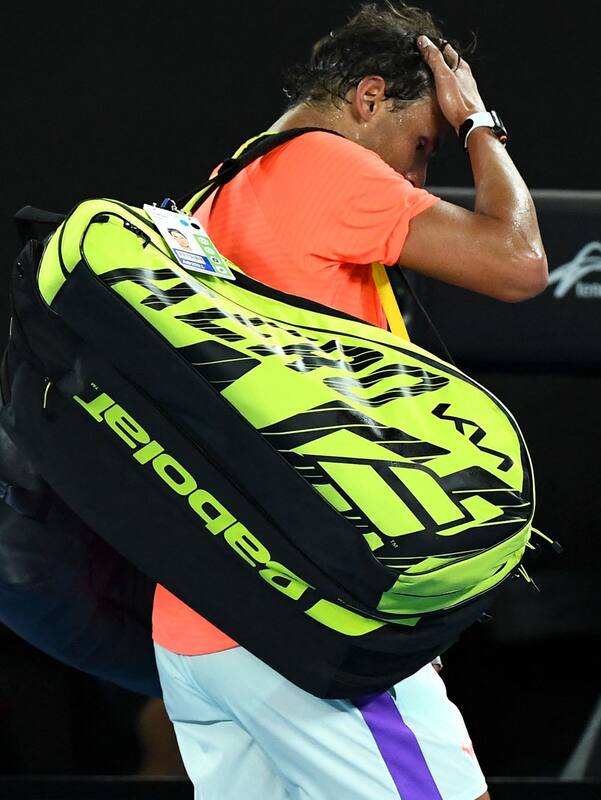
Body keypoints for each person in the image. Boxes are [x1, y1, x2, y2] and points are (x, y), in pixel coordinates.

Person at [151, 4, 547, 798]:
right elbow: (520, 261)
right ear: (370, 98)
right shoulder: (326, 167)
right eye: (421, 147)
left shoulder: (214, 195)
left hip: (197, 623)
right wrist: (479, 125)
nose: (415, 179)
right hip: (310, 625)